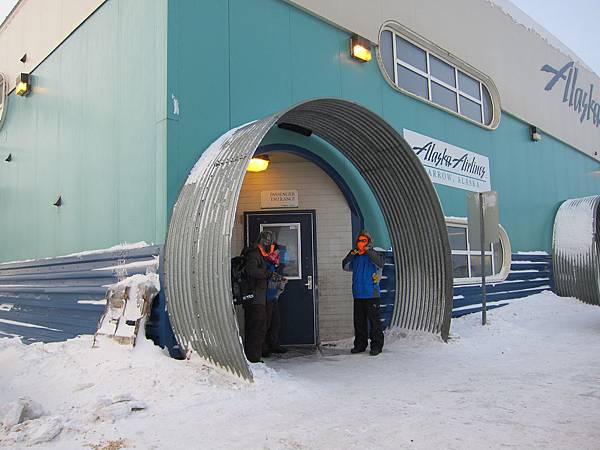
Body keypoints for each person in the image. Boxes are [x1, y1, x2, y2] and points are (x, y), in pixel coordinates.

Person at [342, 230, 386, 355]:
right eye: (359, 241)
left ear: (368, 242)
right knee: (359, 322)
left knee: (374, 321)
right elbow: (345, 266)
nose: (360, 243)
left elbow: (381, 263)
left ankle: (376, 345)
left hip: (371, 294)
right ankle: (360, 344)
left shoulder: (373, 254)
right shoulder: (355, 256)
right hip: (358, 294)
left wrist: (368, 250)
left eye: (363, 241)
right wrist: (352, 253)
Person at [241, 230, 276, 363]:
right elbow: (251, 270)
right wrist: (267, 274)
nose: (269, 244)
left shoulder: (258, 254)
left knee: (257, 326)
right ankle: (253, 358)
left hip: (257, 296)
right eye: (268, 241)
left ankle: (254, 356)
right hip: (254, 298)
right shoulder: (254, 253)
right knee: (257, 327)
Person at [262, 245, 288, 357]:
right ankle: (264, 347)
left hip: (273, 297)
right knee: (265, 324)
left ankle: (274, 344)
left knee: (275, 323)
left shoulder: (273, 264)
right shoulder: (266, 264)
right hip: (265, 298)